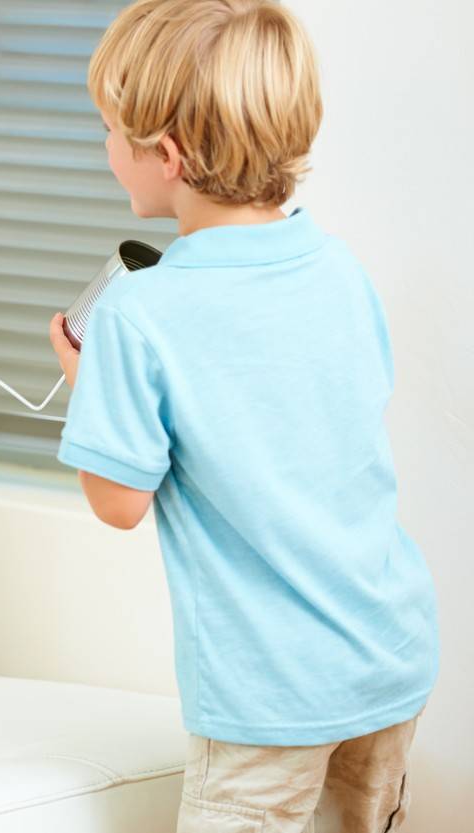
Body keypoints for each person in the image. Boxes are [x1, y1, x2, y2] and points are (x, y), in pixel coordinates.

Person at [46, 2, 439, 830]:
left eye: (112, 130)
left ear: (169, 156)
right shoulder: (339, 267)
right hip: (388, 654)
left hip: (268, 696)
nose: (103, 148)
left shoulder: (140, 314)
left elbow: (118, 502)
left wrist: (91, 383)